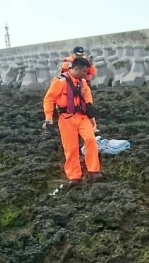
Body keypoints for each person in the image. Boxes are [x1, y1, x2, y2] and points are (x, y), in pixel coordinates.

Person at [42, 57, 103, 188]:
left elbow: (88, 101)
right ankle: (74, 177)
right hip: (66, 118)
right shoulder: (60, 81)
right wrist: (48, 118)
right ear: (76, 69)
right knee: (71, 148)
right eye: (84, 72)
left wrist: (92, 120)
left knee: (91, 140)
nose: (86, 75)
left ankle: (94, 171)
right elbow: (49, 99)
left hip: (82, 117)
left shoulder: (83, 83)